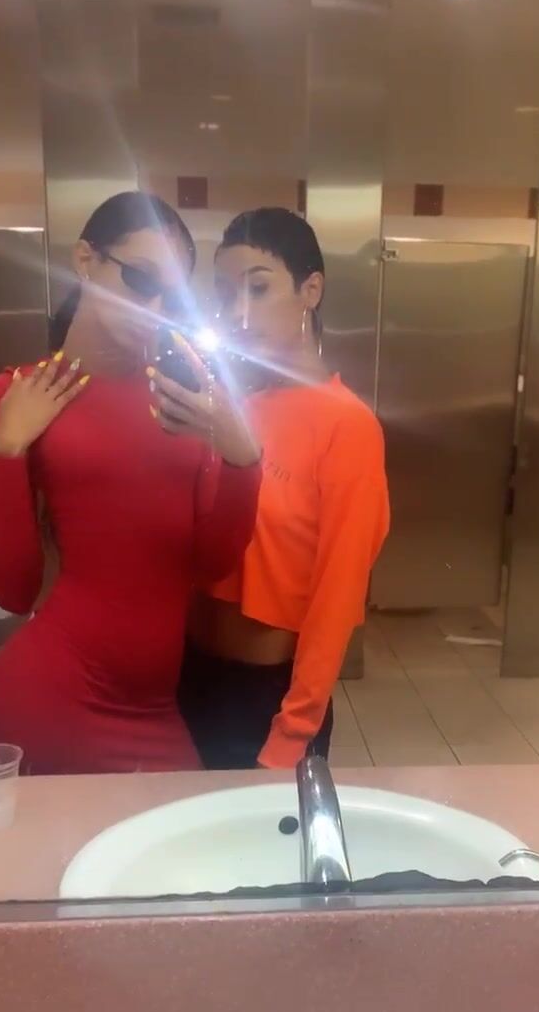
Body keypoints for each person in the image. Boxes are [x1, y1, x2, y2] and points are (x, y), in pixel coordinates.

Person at [0, 191, 261, 774]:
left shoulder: (180, 402)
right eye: (140, 279)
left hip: (157, 709)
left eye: (170, 296)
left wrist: (243, 462)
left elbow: (210, 564)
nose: (153, 307)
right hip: (54, 698)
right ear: (86, 259)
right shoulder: (12, 396)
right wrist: (7, 451)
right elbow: (13, 591)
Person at [156, 207, 389, 770]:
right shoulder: (232, 409)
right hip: (185, 681)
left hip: (266, 700)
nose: (238, 311)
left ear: (311, 290)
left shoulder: (347, 425)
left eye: (258, 289)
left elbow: (337, 594)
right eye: (224, 293)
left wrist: (295, 730)